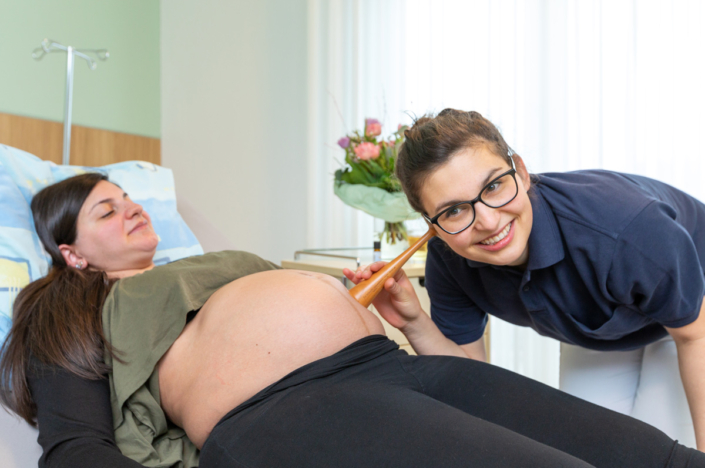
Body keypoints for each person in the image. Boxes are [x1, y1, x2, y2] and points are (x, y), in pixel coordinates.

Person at [1, 174, 704, 468]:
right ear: (70, 252)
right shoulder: (63, 307)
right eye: (105, 208)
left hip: (396, 370)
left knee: (652, 457)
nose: (131, 208)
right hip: (285, 409)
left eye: (129, 195)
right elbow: (74, 448)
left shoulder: (205, 265)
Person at [345, 108, 705, 451]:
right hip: (609, 327)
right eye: (453, 210)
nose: (487, 221)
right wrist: (414, 322)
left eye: (494, 186)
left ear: (521, 170)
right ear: (431, 225)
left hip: (694, 317)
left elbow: (696, 335)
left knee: (665, 449)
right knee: (585, 448)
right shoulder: (449, 257)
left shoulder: (623, 228)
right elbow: (470, 379)